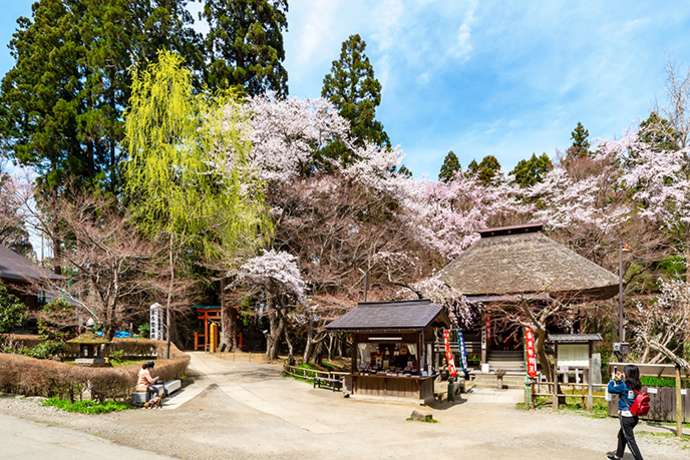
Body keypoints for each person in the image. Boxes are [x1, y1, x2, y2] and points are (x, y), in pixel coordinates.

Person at [607, 364, 643, 460]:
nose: (622, 373)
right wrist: (619, 380)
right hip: (634, 416)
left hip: (626, 417)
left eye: (624, 371)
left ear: (628, 373)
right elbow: (625, 390)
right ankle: (618, 456)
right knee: (621, 435)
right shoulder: (637, 384)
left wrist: (613, 380)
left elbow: (610, 389)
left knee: (630, 440)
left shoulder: (623, 385)